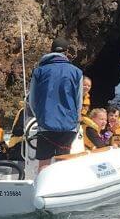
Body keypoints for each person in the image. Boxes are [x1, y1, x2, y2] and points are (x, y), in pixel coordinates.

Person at [28, 37, 83, 169]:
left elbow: (32, 100)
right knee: (63, 162)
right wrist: (75, 120)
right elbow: (78, 101)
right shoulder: (77, 72)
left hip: (46, 123)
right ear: (66, 53)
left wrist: (40, 118)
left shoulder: (39, 71)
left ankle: (43, 187)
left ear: (51, 51)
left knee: (44, 162)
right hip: (68, 125)